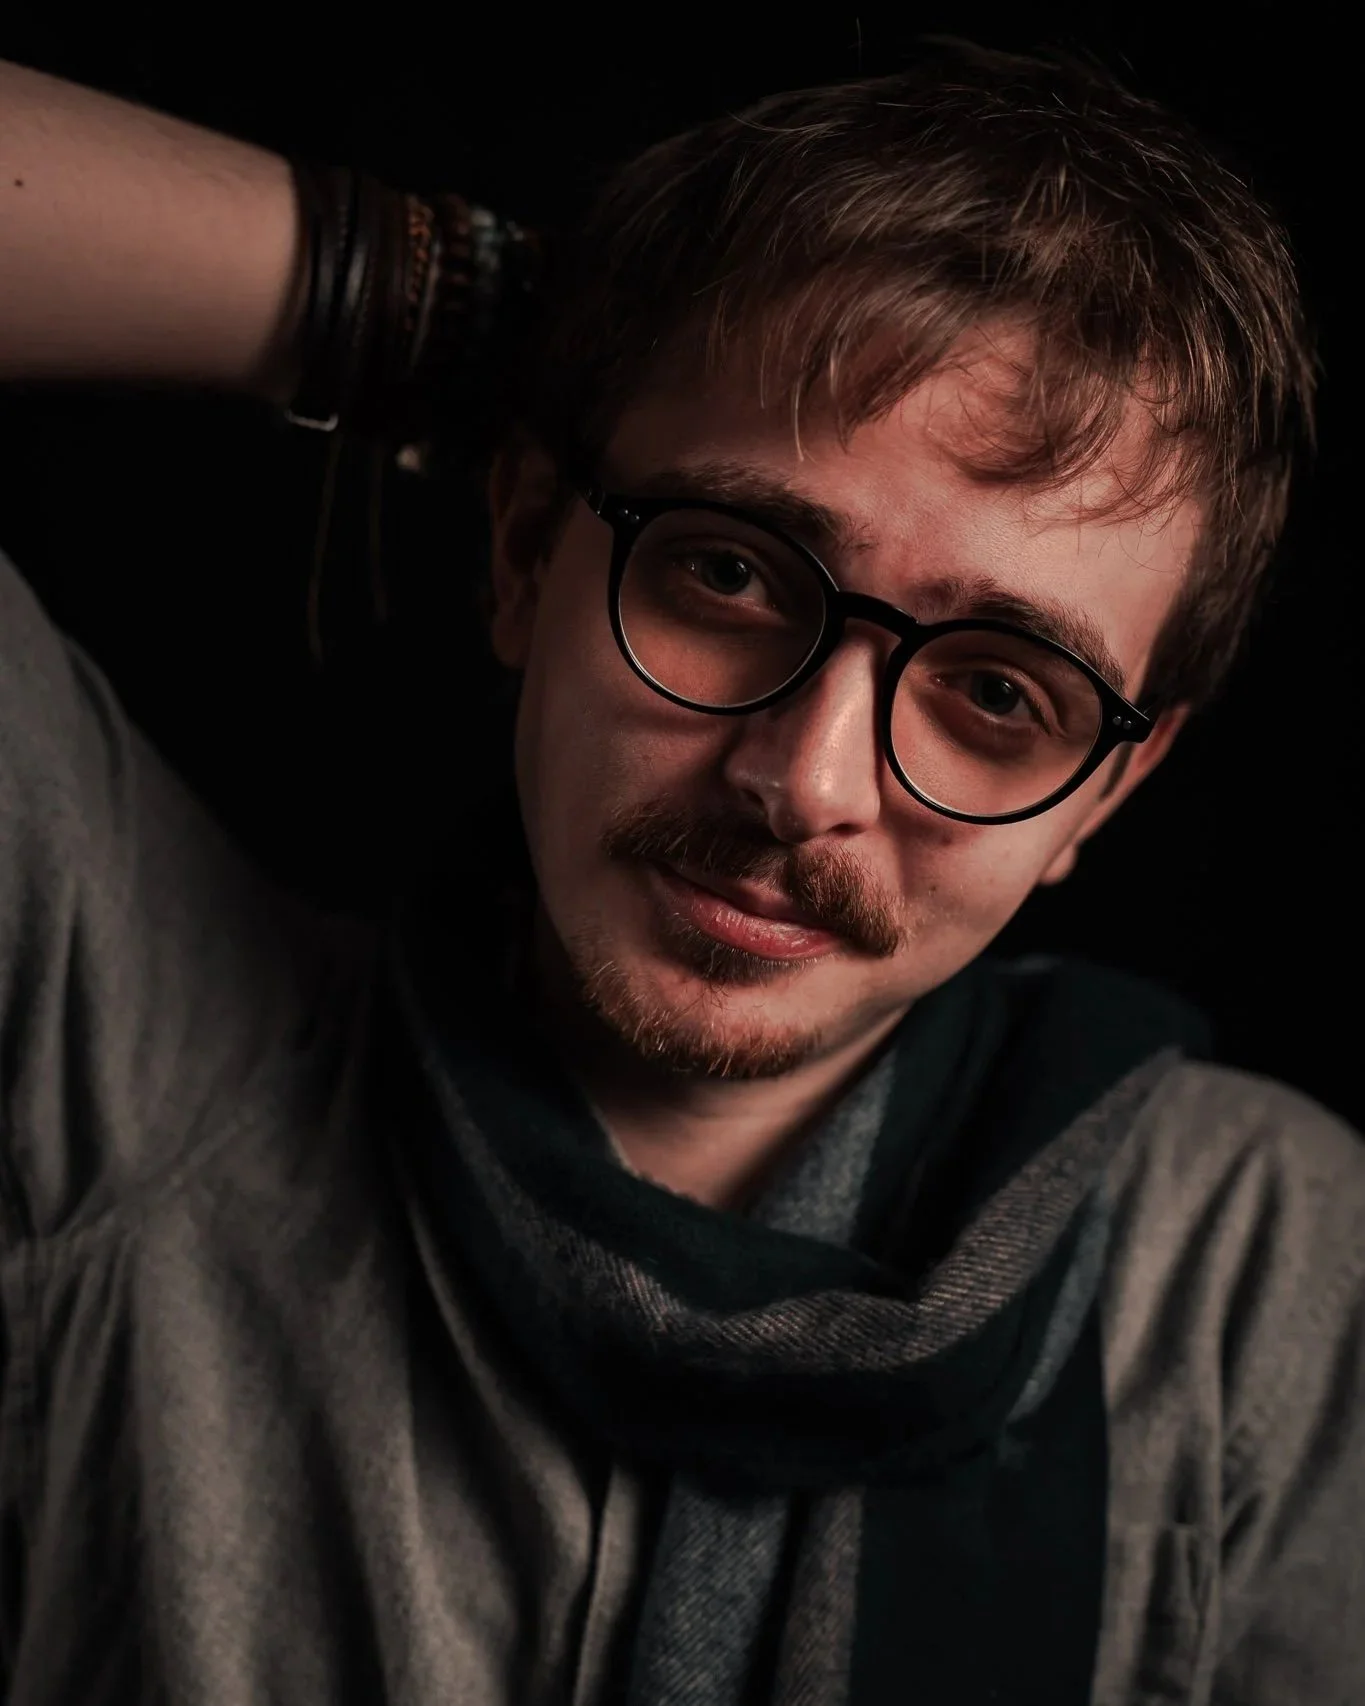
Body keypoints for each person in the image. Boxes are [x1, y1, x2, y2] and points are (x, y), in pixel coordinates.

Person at [0, 41, 1361, 1706]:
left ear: (1108, 790)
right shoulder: (131, 1064)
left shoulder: (1260, 1268)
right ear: (522, 549)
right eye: (727, 570)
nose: (806, 784)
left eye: (1000, 691)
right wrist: (437, 310)